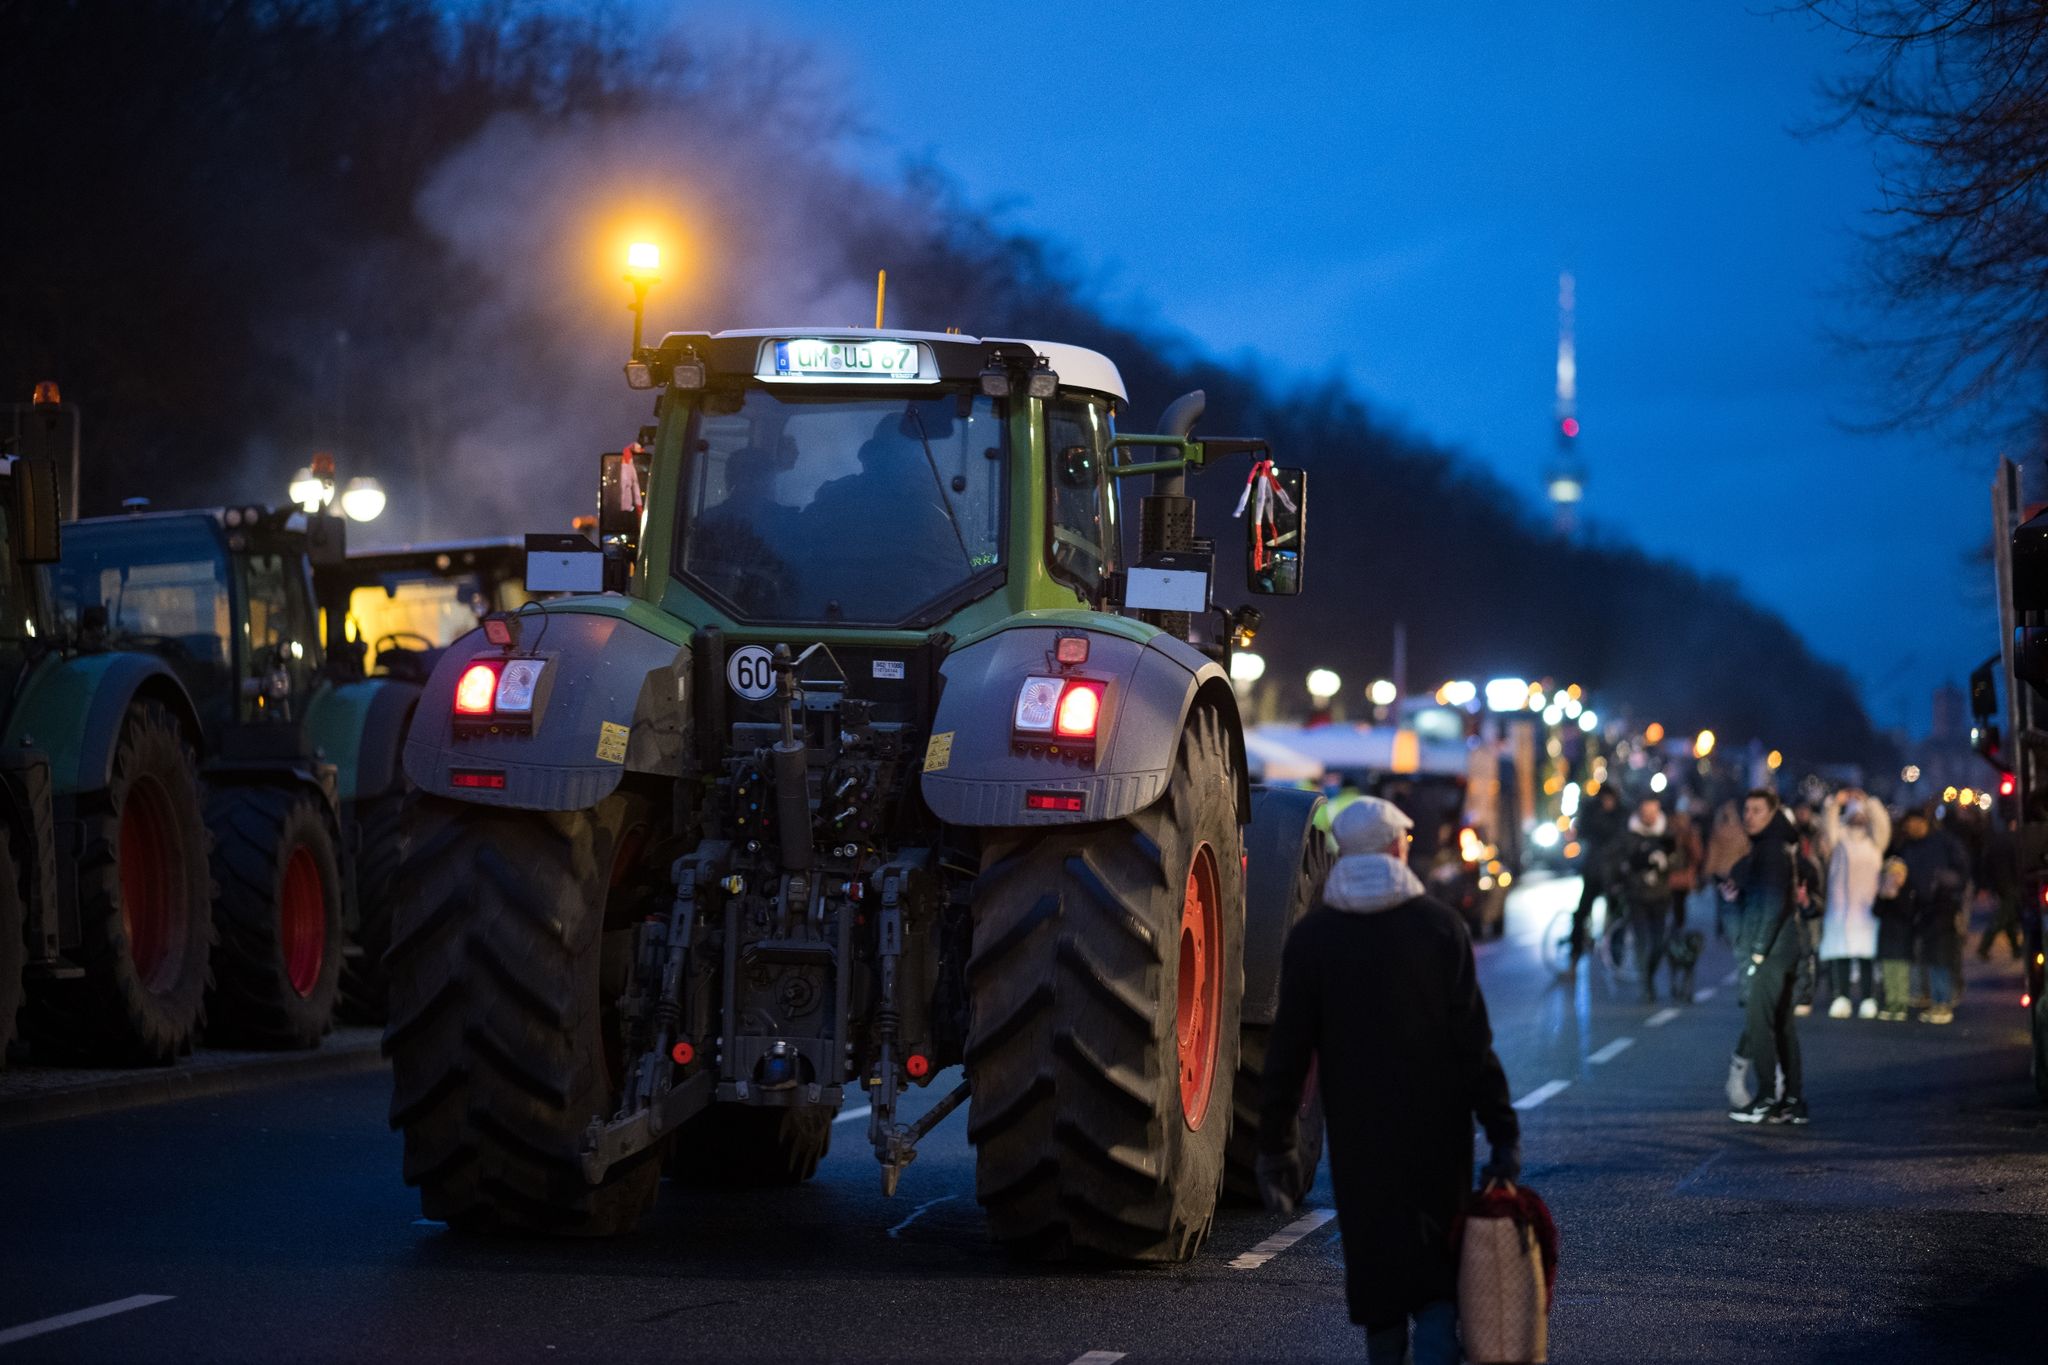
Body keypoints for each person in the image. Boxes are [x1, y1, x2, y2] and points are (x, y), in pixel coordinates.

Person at [1259, 796, 1520, 1365]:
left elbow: (1288, 1052)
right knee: (1435, 1282)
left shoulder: (1314, 938)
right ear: (1396, 847)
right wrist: (1502, 1133)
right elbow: (1473, 1043)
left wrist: (1276, 1146)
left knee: (1377, 1276)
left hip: (1360, 1136)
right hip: (1437, 1134)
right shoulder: (1439, 927)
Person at [1724, 787, 1809, 1124]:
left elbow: (1773, 903)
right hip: (1783, 948)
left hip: (1771, 952)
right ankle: (1793, 1100)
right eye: (1747, 810)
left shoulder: (1771, 850)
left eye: (1757, 810)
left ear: (1773, 812)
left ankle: (1765, 1098)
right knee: (1783, 1026)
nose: (1750, 816)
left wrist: (1758, 951)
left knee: (1760, 1025)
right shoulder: (1775, 847)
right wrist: (1738, 900)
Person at [1894, 807, 1971, 1025]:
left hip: (1943, 908)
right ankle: (1932, 997)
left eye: (1915, 823)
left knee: (1941, 956)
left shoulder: (1945, 842)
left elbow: (1961, 873)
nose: (1911, 827)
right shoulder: (1908, 846)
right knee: (1928, 956)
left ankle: (1943, 1001)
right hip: (1920, 910)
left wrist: (1945, 884)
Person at [1818, 790, 1889, 1019]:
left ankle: (1868, 997)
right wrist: (1834, 804)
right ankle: (1842, 997)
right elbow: (1828, 825)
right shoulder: (1839, 839)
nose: (1859, 819)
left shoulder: (1875, 841)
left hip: (1866, 907)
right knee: (1841, 954)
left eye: (1862, 815)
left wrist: (1869, 801)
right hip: (1840, 907)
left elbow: (1883, 824)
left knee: (1866, 955)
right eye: (1854, 814)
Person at [1618, 795, 1677, 1001]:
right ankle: (1646, 983)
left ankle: (1649, 975)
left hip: (1660, 896)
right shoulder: (1630, 835)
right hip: (1637, 896)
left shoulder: (1667, 834)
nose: (1649, 817)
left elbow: (1678, 860)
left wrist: (1667, 862)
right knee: (1642, 941)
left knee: (1659, 942)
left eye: (1653, 812)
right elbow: (1621, 862)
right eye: (1645, 812)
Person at [1571, 785, 1628, 965]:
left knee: (1617, 915)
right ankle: (1575, 954)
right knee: (1581, 913)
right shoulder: (1592, 813)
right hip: (1594, 872)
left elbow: (1623, 840)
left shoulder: (1621, 815)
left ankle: (1616, 956)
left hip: (1614, 873)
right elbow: (1581, 832)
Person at [1702, 799, 1752, 942]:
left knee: (1722, 902)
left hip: (1720, 872)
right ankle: (1733, 930)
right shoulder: (1741, 833)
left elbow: (1713, 853)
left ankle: (1722, 928)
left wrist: (1707, 871)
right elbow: (1746, 852)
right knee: (1735, 900)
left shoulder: (1717, 831)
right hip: (1736, 872)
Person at [1873, 855, 1914, 1020]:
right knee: (1889, 973)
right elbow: (1876, 912)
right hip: (1887, 939)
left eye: (1899, 874)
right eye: (1892, 874)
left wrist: (1896, 897)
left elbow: (1908, 913)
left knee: (1901, 974)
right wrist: (1884, 896)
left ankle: (1901, 1003)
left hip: (1902, 940)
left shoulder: (1907, 892)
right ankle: (1891, 1003)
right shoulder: (1883, 892)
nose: (1895, 877)